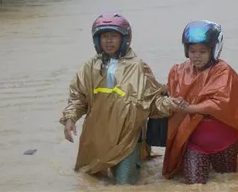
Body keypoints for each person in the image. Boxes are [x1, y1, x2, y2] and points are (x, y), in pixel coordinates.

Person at [162, 20, 238, 184]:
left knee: (228, 182)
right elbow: (172, 91)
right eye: (192, 51)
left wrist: (190, 108)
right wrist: (157, 89)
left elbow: (218, 103)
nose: (196, 56)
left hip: (224, 143)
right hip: (194, 143)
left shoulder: (223, 71)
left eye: (202, 51)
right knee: (193, 185)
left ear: (214, 50)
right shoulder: (180, 70)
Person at [59, 12, 178, 185]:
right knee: (90, 180)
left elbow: (152, 101)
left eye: (113, 36)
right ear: (97, 40)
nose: (108, 41)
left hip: (128, 137)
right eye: (104, 36)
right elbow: (78, 96)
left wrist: (172, 104)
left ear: (124, 39)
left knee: (125, 184)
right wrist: (70, 118)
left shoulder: (138, 66)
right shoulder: (89, 66)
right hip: (96, 136)